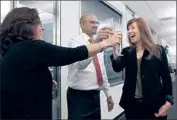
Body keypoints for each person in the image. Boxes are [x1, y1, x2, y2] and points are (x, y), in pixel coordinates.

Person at [0, 7, 121, 119]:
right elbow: (73, 56)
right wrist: (104, 43)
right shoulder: (35, 46)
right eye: (40, 26)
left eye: (97, 23)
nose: (42, 30)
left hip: (14, 111)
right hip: (75, 98)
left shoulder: (11, 50)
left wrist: (45, 81)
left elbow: (21, 76)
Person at [110, 17, 174, 120]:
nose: (129, 31)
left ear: (142, 29)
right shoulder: (127, 51)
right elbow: (117, 67)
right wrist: (115, 49)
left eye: (132, 28)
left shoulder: (158, 50)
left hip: (155, 105)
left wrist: (168, 102)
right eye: (128, 29)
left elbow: (166, 77)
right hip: (132, 106)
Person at [66, 13, 117, 120]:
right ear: (83, 25)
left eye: (97, 22)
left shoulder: (99, 45)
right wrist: (97, 42)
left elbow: (101, 70)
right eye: (92, 22)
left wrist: (108, 95)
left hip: (95, 95)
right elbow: (80, 65)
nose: (96, 25)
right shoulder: (74, 41)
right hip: (79, 97)